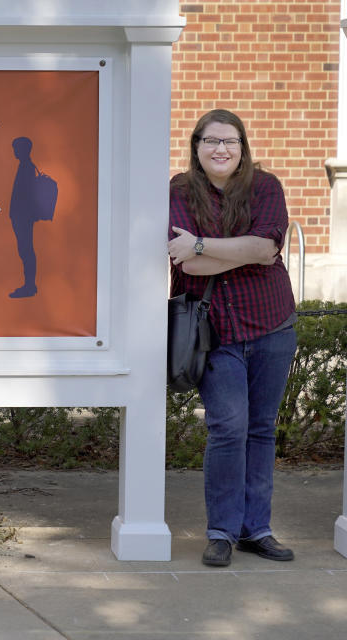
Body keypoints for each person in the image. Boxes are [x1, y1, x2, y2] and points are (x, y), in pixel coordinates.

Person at [168, 109, 298, 568]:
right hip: (214, 332)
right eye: (211, 141)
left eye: (230, 141)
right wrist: (238, 251)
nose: (221, 149)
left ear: (243, 148)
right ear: (196, 146)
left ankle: (255, 530)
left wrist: (202, 244)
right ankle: (222, 531)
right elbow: (187, 266)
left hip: (272, 325)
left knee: (261, 430)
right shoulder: (180, 191)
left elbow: (267, 248)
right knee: (227, 428)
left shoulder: (266, 187)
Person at [8, 136, 57, 298]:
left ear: (23, 149)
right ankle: (29, 285)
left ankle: (29, 286)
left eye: (16, 148)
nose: (14, 151)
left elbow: (24, 194)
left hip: (23, 217)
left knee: (26, 250)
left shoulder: (26, 168)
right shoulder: (25, 166)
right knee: (25, 250)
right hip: (22, 216)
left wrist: (18, 213)